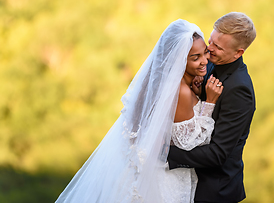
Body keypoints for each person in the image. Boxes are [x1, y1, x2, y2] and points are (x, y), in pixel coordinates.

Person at [55, 19, 223, 203]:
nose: (204, 61)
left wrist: (196, 92)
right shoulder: (180, 90)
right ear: (179, 60)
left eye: (205, 52)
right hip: (167, 178)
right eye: (195, 57)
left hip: (152, 170)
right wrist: (209, 103)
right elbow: (193, 142)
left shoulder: (163, 82)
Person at [167, 12, 257, 203]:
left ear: (238, 52)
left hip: (214, 191)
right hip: (187, 181)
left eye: (218, 47)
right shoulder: (208, 63)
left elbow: (218, 154)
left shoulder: (239, 90)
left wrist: (166, 153)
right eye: (211, 41)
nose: (210, 49)